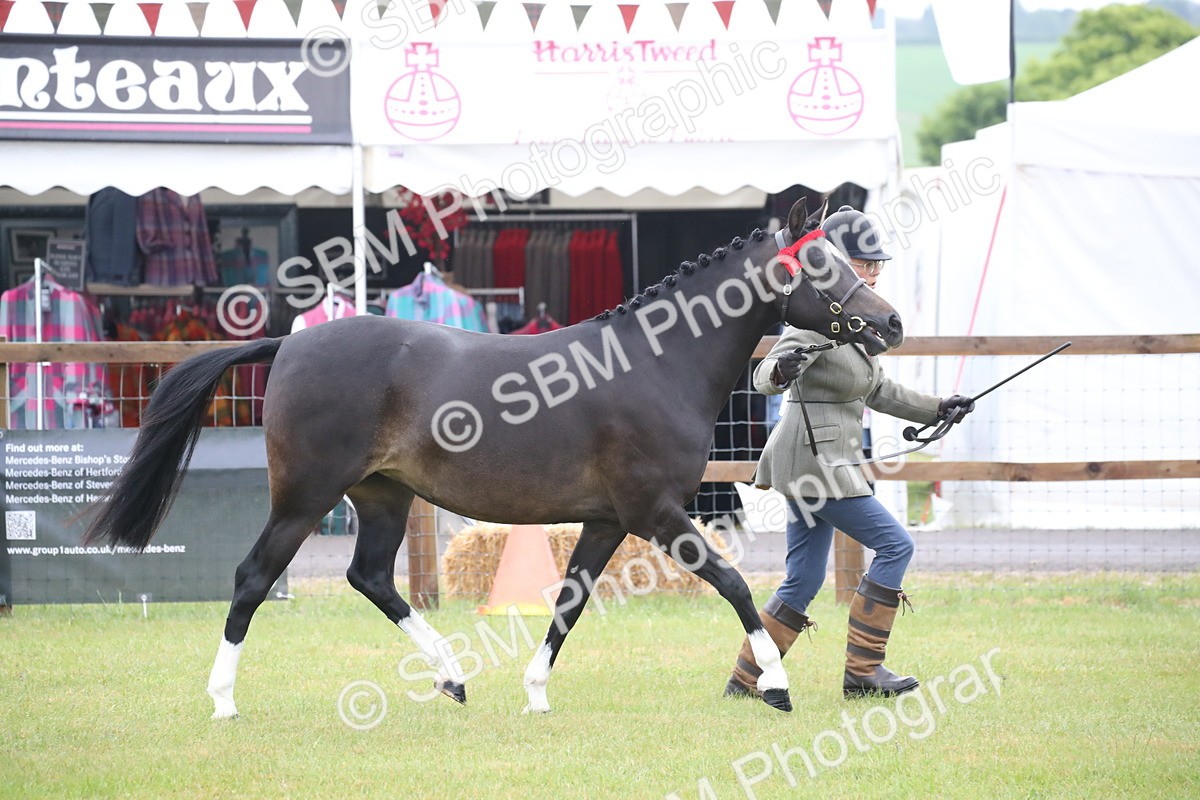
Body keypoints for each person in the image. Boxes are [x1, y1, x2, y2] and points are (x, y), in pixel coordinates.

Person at [725, 205, 975, 700]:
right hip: (815, 462)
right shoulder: (816, 319)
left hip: (824, 461)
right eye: (865, 262)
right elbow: (763, 375)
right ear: (837, 263)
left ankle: (746, 679)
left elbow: (878, 391)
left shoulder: (854, 326)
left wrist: (938, 409)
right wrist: (783, 370)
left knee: (804, 577)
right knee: (896, 544)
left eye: (878, 262)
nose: (875, 270)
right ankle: (863, 671)